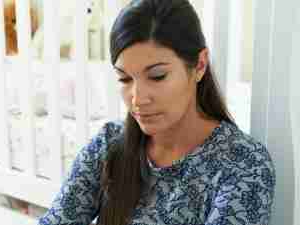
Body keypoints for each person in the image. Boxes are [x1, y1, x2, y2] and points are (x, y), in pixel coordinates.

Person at [38, 0, 276, 224]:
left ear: (200, 65)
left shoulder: (243, 163)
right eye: (124, 78)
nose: (138, 98)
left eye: (157, 76)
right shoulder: (108, 144)